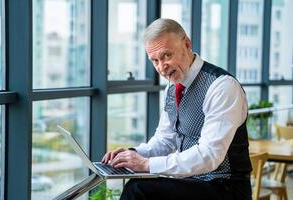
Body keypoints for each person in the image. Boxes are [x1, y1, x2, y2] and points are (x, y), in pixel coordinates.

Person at [102, 18, 252, 200]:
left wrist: (147, 164)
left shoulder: (222, 86)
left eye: (166, 55)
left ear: (187, 44)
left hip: (225, 187)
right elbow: (165, 140)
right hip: (192, 182)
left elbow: (209, 155)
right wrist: (132, 154)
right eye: (154, 60)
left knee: (138, 189)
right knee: (140, 187)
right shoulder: (172, 88)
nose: (161, 67)